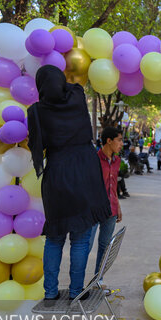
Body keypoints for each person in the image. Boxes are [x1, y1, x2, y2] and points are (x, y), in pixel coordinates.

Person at [27, 65, 111, 304]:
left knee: (54, 237)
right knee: (81, 238)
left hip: (57, 173)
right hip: (84, 171)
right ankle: (76, 291)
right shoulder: (76, 96)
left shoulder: (35, 111)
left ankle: (50, 292)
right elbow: (74, 84)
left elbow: (35, 143)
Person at [91, 127, 123, 277]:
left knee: (104, 246)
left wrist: (119, 207)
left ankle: (99, 280)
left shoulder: (117, 161)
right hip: (94, 209)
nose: (122, 143)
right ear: (109, 141)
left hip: (111, 210)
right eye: (119, 140)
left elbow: (113, 184)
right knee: (86, 245)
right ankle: (77, 285)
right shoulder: (94, 159)